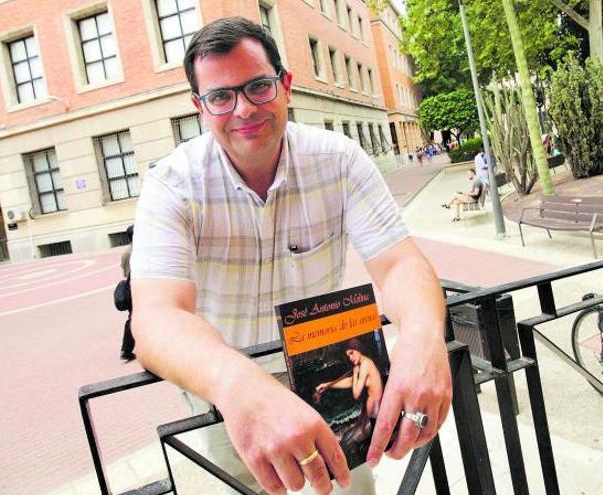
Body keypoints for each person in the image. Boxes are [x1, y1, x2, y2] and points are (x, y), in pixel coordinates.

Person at [130, 17, 451, 495]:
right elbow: (155, 319)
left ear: (285, 86)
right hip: (223, 388)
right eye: (220, 97)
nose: (242, 109)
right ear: (200, 108)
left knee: (351, 490)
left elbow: (400, 262)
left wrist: (425, 338)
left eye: (258, 86)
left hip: (326, 371)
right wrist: (240, 384)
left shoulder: (340, 159)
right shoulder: (172, 184)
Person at [313, 339, 383, 445]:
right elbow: (347, 378)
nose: (350, 358)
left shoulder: (365, 365)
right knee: (348, 436)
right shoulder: (361, 364)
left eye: (351, 353)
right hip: (367, 411)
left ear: (358, 349)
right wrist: (327, 385)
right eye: (348, 355)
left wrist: (354, 374)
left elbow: (356, 393)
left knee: (350, 440)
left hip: (374, 413)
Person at [118, 225, 135, 361]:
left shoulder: (126, 252)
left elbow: (124, 272)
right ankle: (126, 349)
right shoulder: (141, 249)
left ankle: (126, 349)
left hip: (132, 286)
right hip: (139, 286)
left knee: (133, 318)